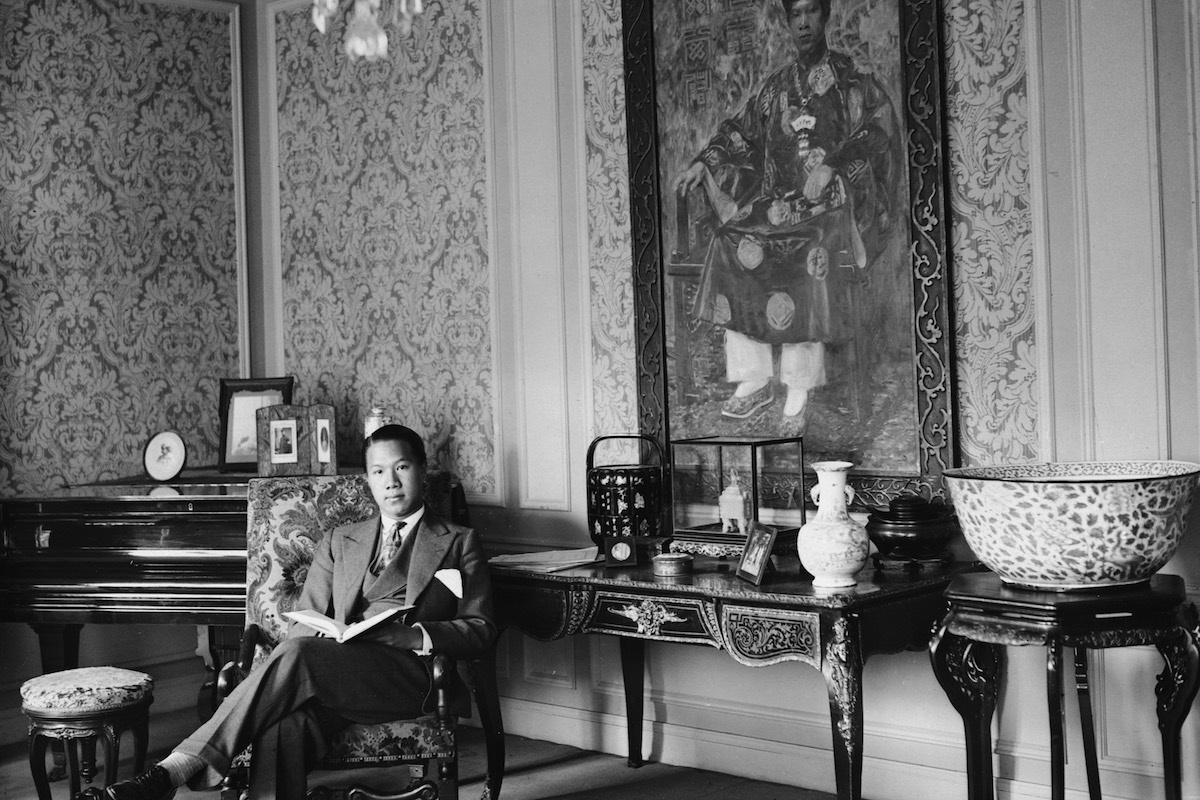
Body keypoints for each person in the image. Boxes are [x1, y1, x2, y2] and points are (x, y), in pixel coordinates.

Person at [83, 424, 497, 800]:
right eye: (377, 472)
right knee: (286, 726)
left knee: (298, 659)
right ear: (367, 479)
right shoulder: (341, 540)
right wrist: (331, 637)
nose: (390, 482)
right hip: (339, 673)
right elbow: (305, 622)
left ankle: (173, 770)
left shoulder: (458, 541)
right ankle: (174, 774)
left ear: (422, 470)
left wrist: (416, 635)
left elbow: (481, 629)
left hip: (410, 679)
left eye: (402, 467)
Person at [675, 0, 900, 423]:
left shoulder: (850, 81)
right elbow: (738, 132)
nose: (803, 23)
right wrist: (703, 163)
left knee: (808, 249)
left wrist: (834, 164)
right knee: (731, 241)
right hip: (778, 207)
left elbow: (879, 128)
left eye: (811, 12)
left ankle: (798, 382)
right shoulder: (775, 87)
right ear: (786, 21)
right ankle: (753, 377)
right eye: (795, 15)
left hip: (829, 209)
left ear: (825, 16)